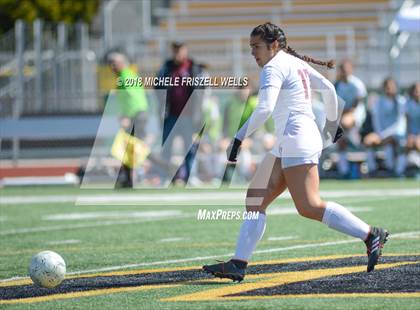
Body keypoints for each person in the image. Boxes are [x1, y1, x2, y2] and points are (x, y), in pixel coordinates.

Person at [202, 22, 388, 282]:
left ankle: (370, 234)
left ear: (273, 45)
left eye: (256, 46)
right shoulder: (293, 63)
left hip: (296, 139)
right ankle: (238, 263)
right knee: (255, 199)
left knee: (309, 205)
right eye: (250, 47)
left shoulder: (274, 66)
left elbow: (264, 109)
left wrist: (238, 137)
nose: (253, 52)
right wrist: (332, 125)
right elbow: (329, 89)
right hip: (291, 139)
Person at [155, 42, 203, 184]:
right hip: (170, 116)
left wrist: (197, 115)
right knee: (166, 148)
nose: (178, 54)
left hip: (189, 117)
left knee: (190, 148)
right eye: (175, 51)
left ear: (185, 51)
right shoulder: (166, 68)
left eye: (180, 51)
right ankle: (165, 177)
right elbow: (157, 88)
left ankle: (191, 176)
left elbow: (200, 92)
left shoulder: (194, 68)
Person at [107, 52, 149, 187]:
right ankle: (128, 179)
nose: (111, 67)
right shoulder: (128, 75)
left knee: (133, 148)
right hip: (137, 114)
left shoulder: (125, 77)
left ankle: (135, 176)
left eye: (114, 63)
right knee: (130, 148)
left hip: (135, 115)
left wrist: (127, 116)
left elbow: (133, 97)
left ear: (121, 63)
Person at [363, 78, 406, 176]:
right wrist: (381, 136)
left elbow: (400, 123)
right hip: (381, 134)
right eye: (387, 87)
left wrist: (388, 136)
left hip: (397, 135)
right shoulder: (378, 102)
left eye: (391, 87)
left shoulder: (401, 102)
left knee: (394, 143)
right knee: (368, 141)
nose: (389, 89)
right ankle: (372, 169)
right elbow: (376, 121)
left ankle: (395, 170)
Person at [334, 59, 367, 178]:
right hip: (342, 114)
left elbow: (355, 106)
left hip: (356, 114)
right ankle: (344, 171)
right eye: (342, 70)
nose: (344, 72)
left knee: (344, 124)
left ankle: (354, 140)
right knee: (339, 139)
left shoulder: (357, 84)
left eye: (346, 69)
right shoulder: (337, 85)